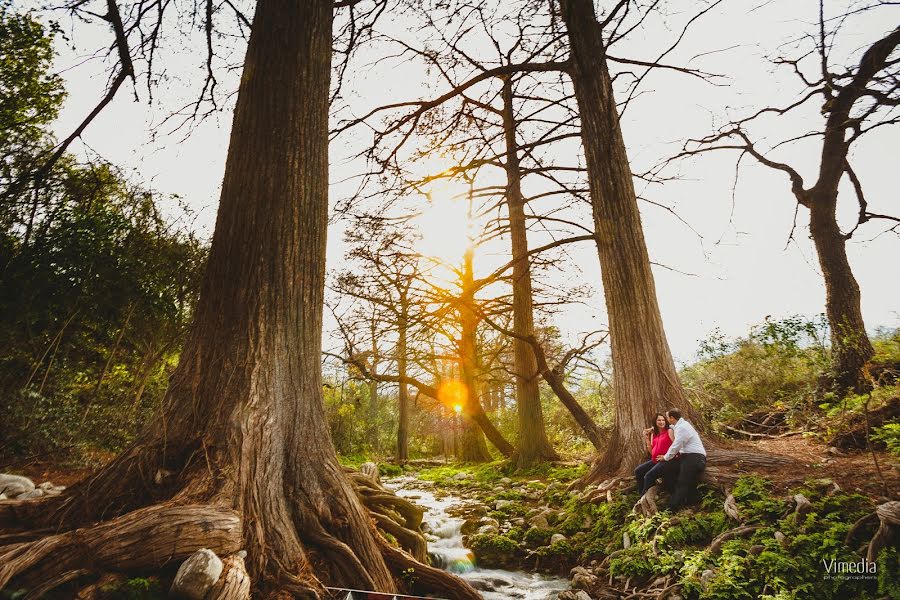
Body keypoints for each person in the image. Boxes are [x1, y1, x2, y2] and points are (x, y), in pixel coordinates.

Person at [656, 408, 706, 512]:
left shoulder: (683, 428)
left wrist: (665, 457)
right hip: (687, 456)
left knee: (683, 481)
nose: (666, 419)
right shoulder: (679, 425)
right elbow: (671, 426)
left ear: (672, 418)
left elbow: (676, 445)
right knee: (668, 469)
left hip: (695, 457)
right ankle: (688, 499)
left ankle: (672, 508)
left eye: (667, 417)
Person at [634, 413, 676, 496]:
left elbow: (676, 445)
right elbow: (652, 452)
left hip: (666, 460)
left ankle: (643, 497)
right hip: (655, 460)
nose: (661, 422)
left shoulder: (669, 431)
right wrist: (647, 439)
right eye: (659, 420)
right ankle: (641, 494)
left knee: (648, 476)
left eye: (663, 420)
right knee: (638, 471)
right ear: (655, 422)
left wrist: (666, 456)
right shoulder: (654, 434)